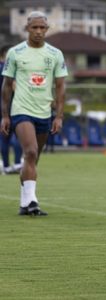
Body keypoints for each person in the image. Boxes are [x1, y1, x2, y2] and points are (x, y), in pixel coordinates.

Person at [0, 11, 68, 216]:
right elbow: (5, 86)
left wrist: (59, 115)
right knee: (29, 152)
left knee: (33, 159)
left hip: (44, 112)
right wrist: (5, 115)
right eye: (34, 27)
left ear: (47, 29)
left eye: (42, 28)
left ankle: (24, 203)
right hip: (21, 110)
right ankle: (32, 202)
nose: (38, 31)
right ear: (27, 29)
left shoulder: (55, 54)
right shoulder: (15, 53)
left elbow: (60, 86)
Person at [0, 45, 23, 175]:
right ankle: (18, 163)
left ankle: (7, 166)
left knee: (4, 138)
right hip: (13, 106)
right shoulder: (9, 69)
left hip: (2, 107)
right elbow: (14, 87)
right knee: (18, 136)